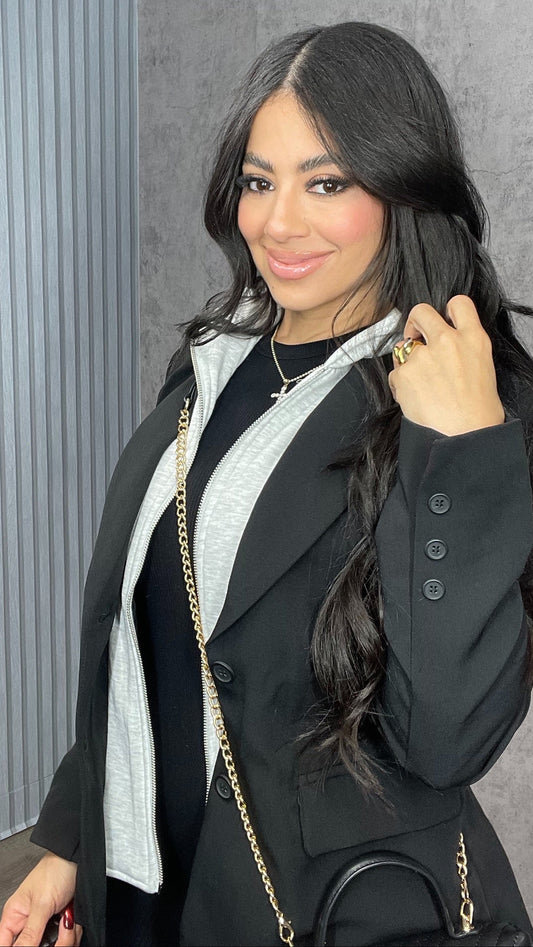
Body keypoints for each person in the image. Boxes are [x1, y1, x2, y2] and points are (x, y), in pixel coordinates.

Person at [1, 19, 533, 947]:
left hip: (320, 910)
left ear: (402, 187)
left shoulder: (462, 400)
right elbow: (154, 639)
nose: (276, 223)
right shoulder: (213, 365)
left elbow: (447, 739)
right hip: (149, 891)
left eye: (326, 182)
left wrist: (456, 449)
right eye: (258, 181)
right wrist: (71, 836)